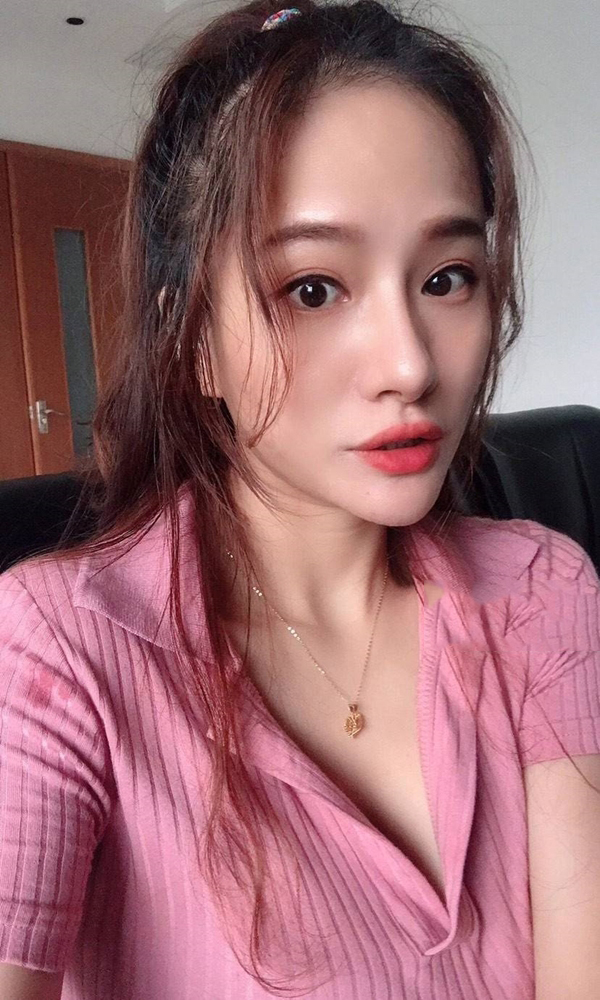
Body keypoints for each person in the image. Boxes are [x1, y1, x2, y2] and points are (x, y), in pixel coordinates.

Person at [1, 0, 599, 997]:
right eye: (312, 289)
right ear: (195, 343)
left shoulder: (543, 594)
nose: (410, 365)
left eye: (448, 277)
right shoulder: (55, 656)